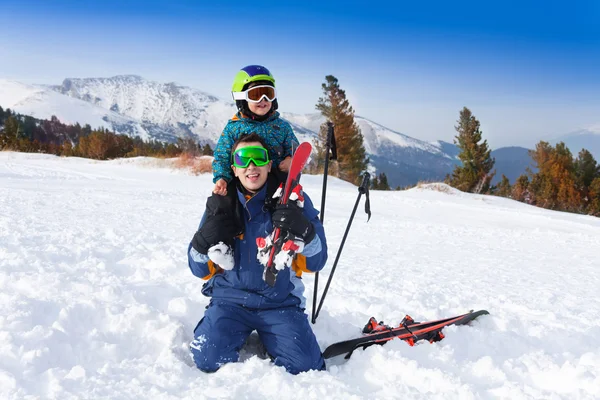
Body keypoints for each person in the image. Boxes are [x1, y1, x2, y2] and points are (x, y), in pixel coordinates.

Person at [188, 133, 327, 374]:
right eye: (243, 159)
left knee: (306, 366)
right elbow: (198, 268)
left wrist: (306, 231)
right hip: (230, 301)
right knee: (207, 359)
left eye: (258, 158)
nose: (251, 166)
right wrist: (202, 242)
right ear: (234, 168)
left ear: (269, 164)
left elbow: (317, 261)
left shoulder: (294, 201)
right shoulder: (222, 204)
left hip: (279, 301)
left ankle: (274, 335)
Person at [212, 65, 300, 196]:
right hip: (244, 185)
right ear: (242, 98)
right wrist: (222, 177)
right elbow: (222, 156)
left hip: (277, 184)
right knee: (218, 204)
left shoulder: (281, 126)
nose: (263, 100)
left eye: (268, 94)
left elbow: (294, 148)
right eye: (255, 95)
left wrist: (290, 159)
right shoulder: (234, 128)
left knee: (296, 206)